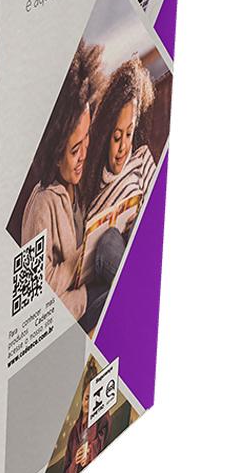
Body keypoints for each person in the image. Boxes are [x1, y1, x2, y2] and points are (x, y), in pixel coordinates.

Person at [21, 42, 103, 321]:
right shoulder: (42, 205)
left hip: (88, 292)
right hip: (72, 310)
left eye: (87, 138)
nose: (83, 155)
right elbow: (32, 291)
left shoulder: (78, 187)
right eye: (74, 149)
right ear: (55, 154)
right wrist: (83, 257)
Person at [77, 58, 157, 327]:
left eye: (129, 134)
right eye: (117, 137)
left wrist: (139, 223)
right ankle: (140, 303)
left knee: (117, 242)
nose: (123, 147)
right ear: (105, 135)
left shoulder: (141, 159)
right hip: (100, 274)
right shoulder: (89, 185)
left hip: (133, 258)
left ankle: (136, 303)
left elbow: (157, 218)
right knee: (108, 241)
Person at [62, 360, 112, 473]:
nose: (89, 403)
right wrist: (75, 461)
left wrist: (89, 451)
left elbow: (104, 439)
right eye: (87, 398)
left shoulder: (102, 418)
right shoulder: (74, 432)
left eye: (93, 398)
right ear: (82, 397)